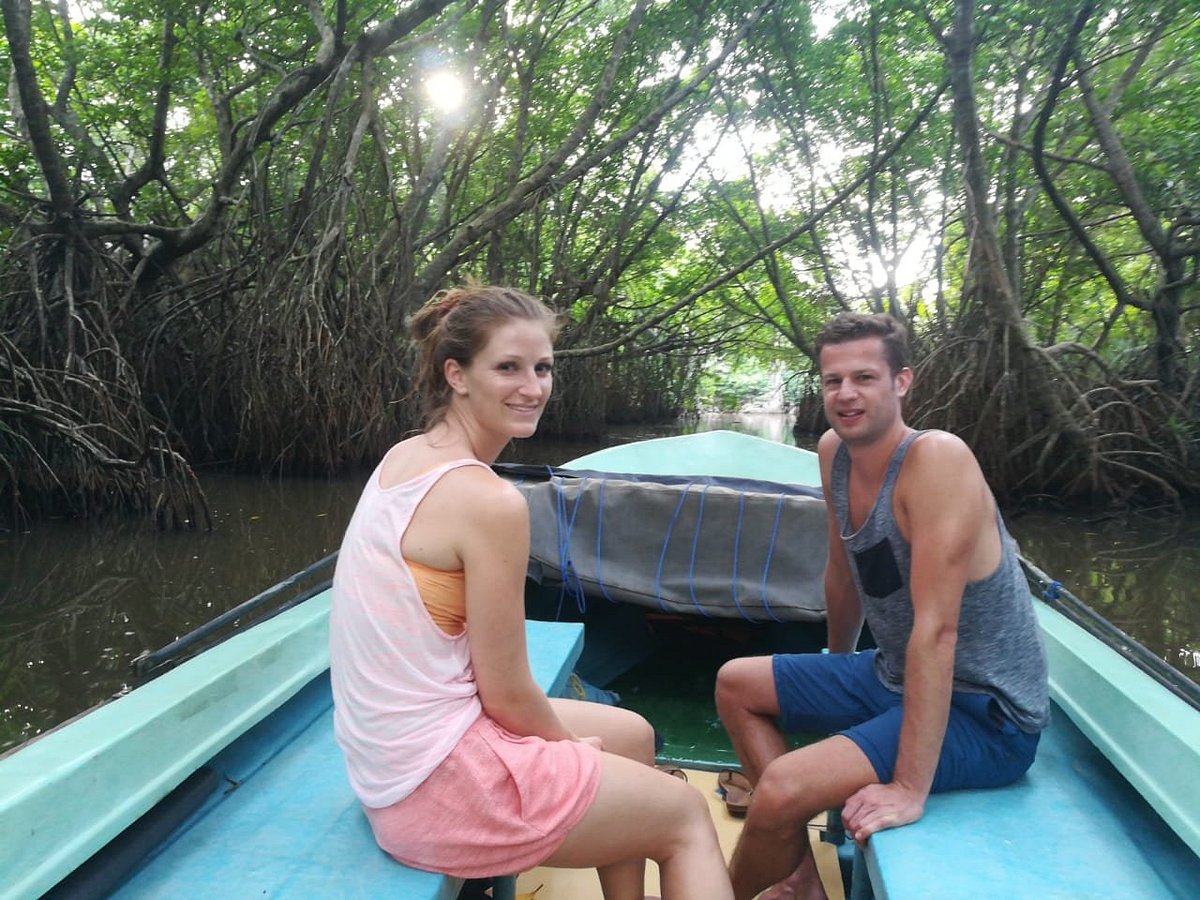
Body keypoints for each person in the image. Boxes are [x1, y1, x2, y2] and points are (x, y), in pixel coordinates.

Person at [329, 284, 732, 900]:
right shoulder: (488, 501)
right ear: (456, 375)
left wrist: (585, 750)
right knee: (684, 815)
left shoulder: (404, 457)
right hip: (434, 785)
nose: (533, 386)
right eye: (508, 368)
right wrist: (573, 750)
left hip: (393, 761)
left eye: (542, 367)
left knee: (635, 737)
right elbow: (510, 693)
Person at [715, 312, 1050, 900]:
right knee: (735, 684)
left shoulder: (936, 461)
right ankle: (797, 880)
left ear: (902, 382)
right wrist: (835, 668)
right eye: (832, 380)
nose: (846, 395)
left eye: (864, 377)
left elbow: (937, 631)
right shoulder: (833, 453)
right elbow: (842, 573)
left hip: (985, 714)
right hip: (891, 674)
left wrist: (908, 788)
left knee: (785, 786)